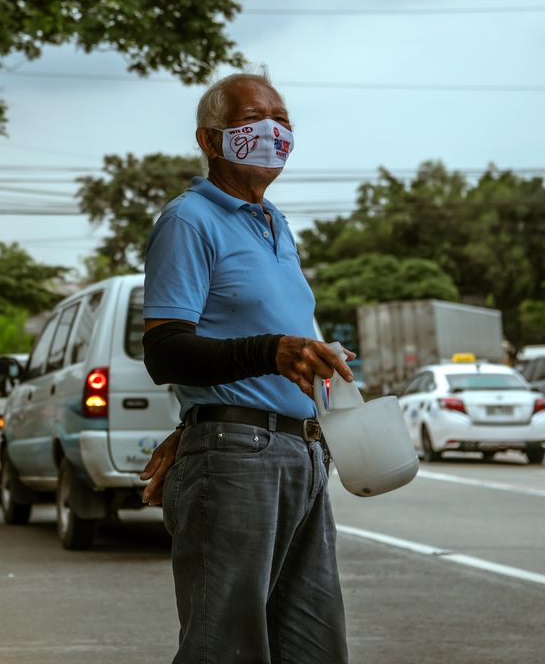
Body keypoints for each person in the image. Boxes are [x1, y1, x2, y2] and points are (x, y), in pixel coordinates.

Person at [138, 72, 356, 664]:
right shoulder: (189, 221)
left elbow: (241, 341)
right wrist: (270, 353)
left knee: (315, 647)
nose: (272, 131)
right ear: (209, 141)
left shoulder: (275, 224)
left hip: (303, 454)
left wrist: (305, 360)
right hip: (240, 458)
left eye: (282, 120)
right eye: (252, 119)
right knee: (226, 648)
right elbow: (164, 350)